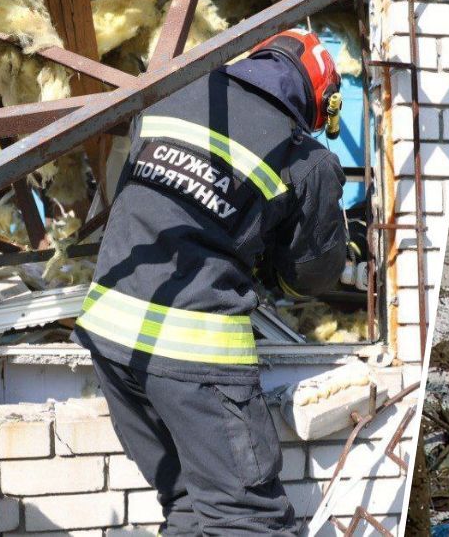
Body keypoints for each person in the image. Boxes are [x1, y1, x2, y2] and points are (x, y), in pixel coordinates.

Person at [72, 29, 347, 536]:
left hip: (110, 336)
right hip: (193, 355)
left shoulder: (173, 96)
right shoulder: (301, 155)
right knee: (249, 521)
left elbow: (163, 203)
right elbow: (309, 273)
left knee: (189, 507)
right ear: (317, 96)